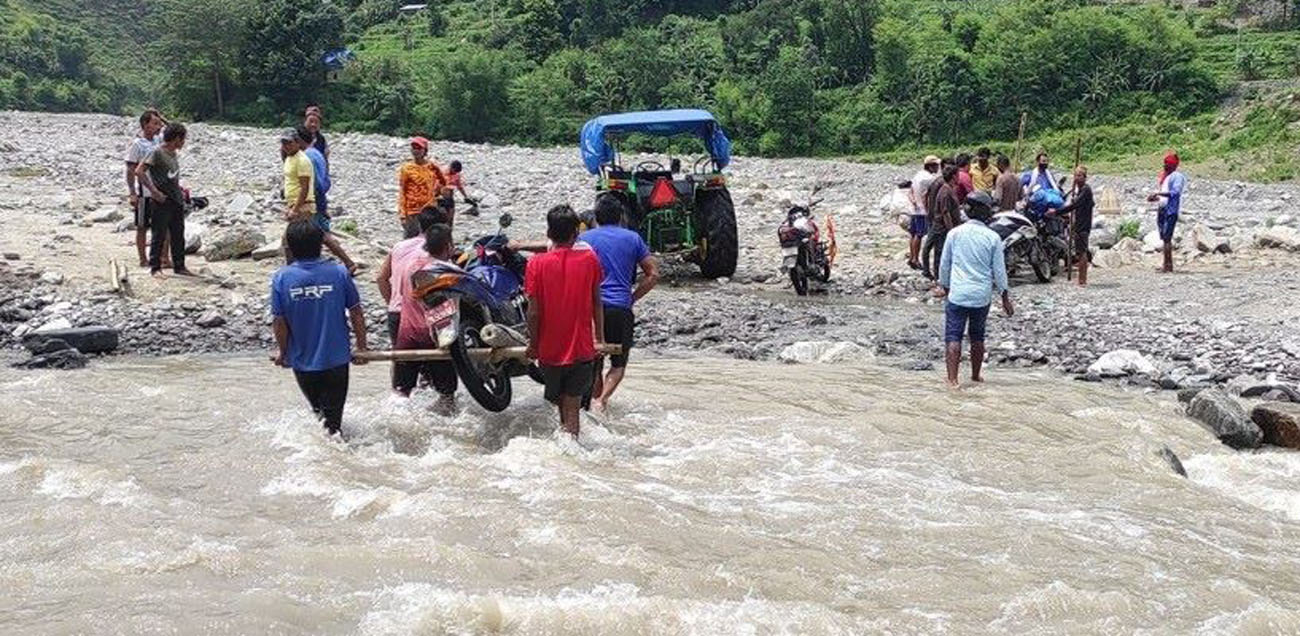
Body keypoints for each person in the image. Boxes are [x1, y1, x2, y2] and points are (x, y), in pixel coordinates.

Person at [271, 221, 368, 436]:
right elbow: (356, 313)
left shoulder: (281, 278)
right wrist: (362, 347)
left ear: (290, 247)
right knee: (333, 423)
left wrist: (283, 353)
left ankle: (328, 459)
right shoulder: (340, 273)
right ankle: (341, 461)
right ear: (320, 245)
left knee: (320, 415)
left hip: (303, 363)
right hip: (336, 361)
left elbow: (279, 321)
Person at [525, 205, 605, 439]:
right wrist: (599, 338)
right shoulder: (589, 260)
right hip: (581, 349)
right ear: (576, 234)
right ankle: (572, 447)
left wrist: (533, 344)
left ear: (549, 233)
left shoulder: (536, 264)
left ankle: (566, 448)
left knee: (561, 403)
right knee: (573, 406)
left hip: (549, 352)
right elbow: (597, 302)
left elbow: (533, 313)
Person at [579, 194, 659, 413]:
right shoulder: (633, 239)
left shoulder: (585, 239)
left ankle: (593, 402)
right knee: (618, 364)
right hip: (620, 308)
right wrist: (632, 298)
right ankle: (602, 400)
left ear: (596, 216)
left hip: (590, 309)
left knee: (594, 360)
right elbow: (653, 275)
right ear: (621, 216)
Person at [375, 208, 456, 406]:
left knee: (403, 371)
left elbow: (380, 278)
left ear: (420, 225)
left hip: (398, 314)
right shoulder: (435, 254)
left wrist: (393, 302)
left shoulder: (399, 247)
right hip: (426, 315)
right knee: (439, 371)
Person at [938, 192, 1014, 388]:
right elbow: (999, 271)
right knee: (977, 336)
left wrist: (945, 287)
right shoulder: (993, 237)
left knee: (954, 336)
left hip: (958, 294)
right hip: (981, 296)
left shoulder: (954, 234)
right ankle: (975, 375)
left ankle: (953, 380)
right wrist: (1005, 297)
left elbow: (944, 265)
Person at [294, 127, 357, 273]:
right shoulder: (317, 153)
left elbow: (314, 183)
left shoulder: (307, 157)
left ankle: (347, 262)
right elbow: (325, 180)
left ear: (299, 140)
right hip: (320, 200)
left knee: (320, 234)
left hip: (313, 201)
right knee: (321, 234)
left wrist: (313, 202)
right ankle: (345, 262)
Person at [135, 123, 193, 278]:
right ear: (175, 139)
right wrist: (154, 192)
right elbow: (139, 171)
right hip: (162, 200)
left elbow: (171, 176)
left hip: (176, 199)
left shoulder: (173, 154)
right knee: (158, 234)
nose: (183, 143)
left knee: (178, 234)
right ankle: (155, 268)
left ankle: (179, 266)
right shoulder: (156, 152)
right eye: (182, 139)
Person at [125, 109, 166, 268]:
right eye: (154, 123)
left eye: (159, 123)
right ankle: (143, 259)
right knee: (142, 226)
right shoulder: (137, 144)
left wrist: (160, 117)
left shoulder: (159, 140)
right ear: (144, 125)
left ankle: (163, 258)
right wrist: (132, 193)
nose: (158, 126)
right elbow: (130, 169)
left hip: (161, 191)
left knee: (163, 226)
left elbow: (176, 131)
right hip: (144, 192)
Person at [1051, 165, 1094, 287]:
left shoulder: (1086, 190)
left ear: (1085, 178)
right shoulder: (1079, 191)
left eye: (1079, 175)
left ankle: (1082, 280)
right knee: (1079, 251)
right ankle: (1081, 279)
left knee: (1082, 252)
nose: (1076, 178)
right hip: (1078, 223)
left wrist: (1056, 212)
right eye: (1075, 175)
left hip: (1083, 225)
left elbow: (1074, 206)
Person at [398, 137, 448, 238]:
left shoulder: (432, 166)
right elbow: (402, 191)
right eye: (413, 147)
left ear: (425, 150)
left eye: (419, 148)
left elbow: (443, 181)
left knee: (429, 239)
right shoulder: (407, 168)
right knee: (411, 239)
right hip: (412, 210)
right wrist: (402, 214)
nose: (415, 150)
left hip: (429, 209)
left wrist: (436, 191)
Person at [1149, 152, 1186, 273]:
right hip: (1162, 209)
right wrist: (1155, 198)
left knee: (1167, 238)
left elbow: (1175, 193)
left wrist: (1158, 194)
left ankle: (1168, 266)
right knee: (1164, 237)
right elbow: (1164, 196)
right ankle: (1166, 263)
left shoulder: (1177, 176)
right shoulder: (1165, 177)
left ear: (1173, 165)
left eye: (1167, 163)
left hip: (1170, 210)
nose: (1164, 165)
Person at [922, 164, 961, 281]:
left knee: (930, 247)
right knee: (939, 251)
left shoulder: (947, 188)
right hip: (942, 226)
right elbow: (945, 212)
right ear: (954, 177)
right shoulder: (946, 191)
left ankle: (930, 272)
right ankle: (937, 277)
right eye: (958, 175)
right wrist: (951, 230)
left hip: (938, 224)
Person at [906, 155, 941, 270]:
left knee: (913, 234)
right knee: (919, 235)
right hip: (922, 211)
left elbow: (910, 191)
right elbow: (927, 195)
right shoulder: (929, 179)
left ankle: (912, 257)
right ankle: (916, 259)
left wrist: (914, 202)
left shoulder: (918, 175)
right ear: (930, 167)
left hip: (914, 209)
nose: (938, 168)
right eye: (936, 165)